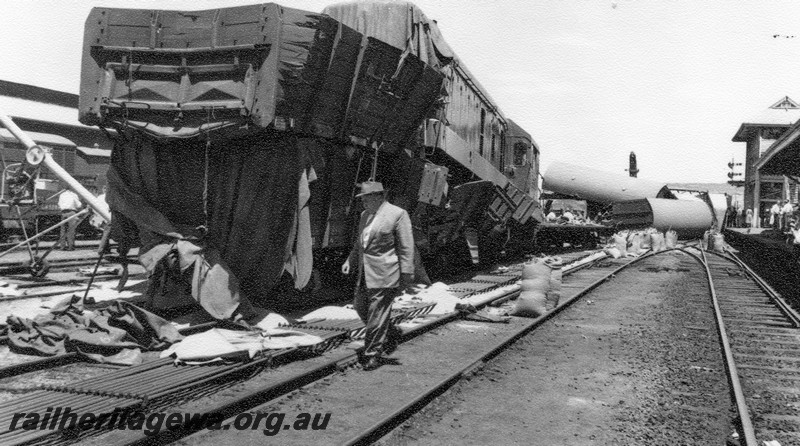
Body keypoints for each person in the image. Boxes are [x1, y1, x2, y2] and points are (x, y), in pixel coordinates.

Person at [342, 181, 414, 371]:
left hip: (385, 273)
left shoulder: (397, 214)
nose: (363, 201)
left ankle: (372, 353)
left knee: (376, 314)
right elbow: (360, 243)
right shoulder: (365, 215)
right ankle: (390, 331)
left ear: (379, 197)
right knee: (360, 307)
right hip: (365, 273)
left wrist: (406, 273)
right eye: (362, 198)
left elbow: (406, 247)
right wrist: (350, 260)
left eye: (366, 197)